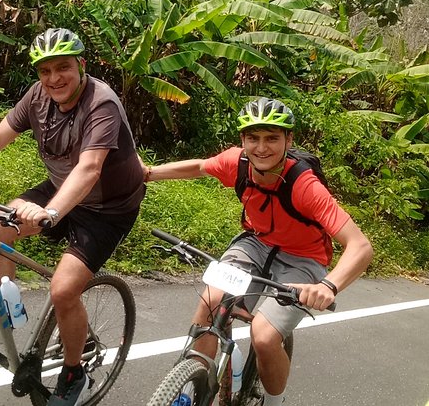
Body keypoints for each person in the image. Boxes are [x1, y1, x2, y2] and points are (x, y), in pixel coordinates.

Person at [0, 28, 145, 406]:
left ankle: (74, 375)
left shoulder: (101, 103)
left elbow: (90, 168)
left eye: (63, 68)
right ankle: (7, 314)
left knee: (63, 289)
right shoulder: (38, 96)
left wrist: (52, 211)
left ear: (82, 66)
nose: (54, 78)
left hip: (108, 207)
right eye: (45, 70)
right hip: (60, 186)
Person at [143, 98, 373, 406]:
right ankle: (187, 391)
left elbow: (360, 246)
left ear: (288, 140)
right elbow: (199, 167)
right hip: (255, 244)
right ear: (243, 140)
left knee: (264, 336)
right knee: (211, 303)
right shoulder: (236, 163)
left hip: (303, 260)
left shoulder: (304, 185)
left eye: (272, 138)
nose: (261, 148)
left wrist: (327, 286)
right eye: (253, 138)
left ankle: (273, 402)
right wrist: (148, 173)